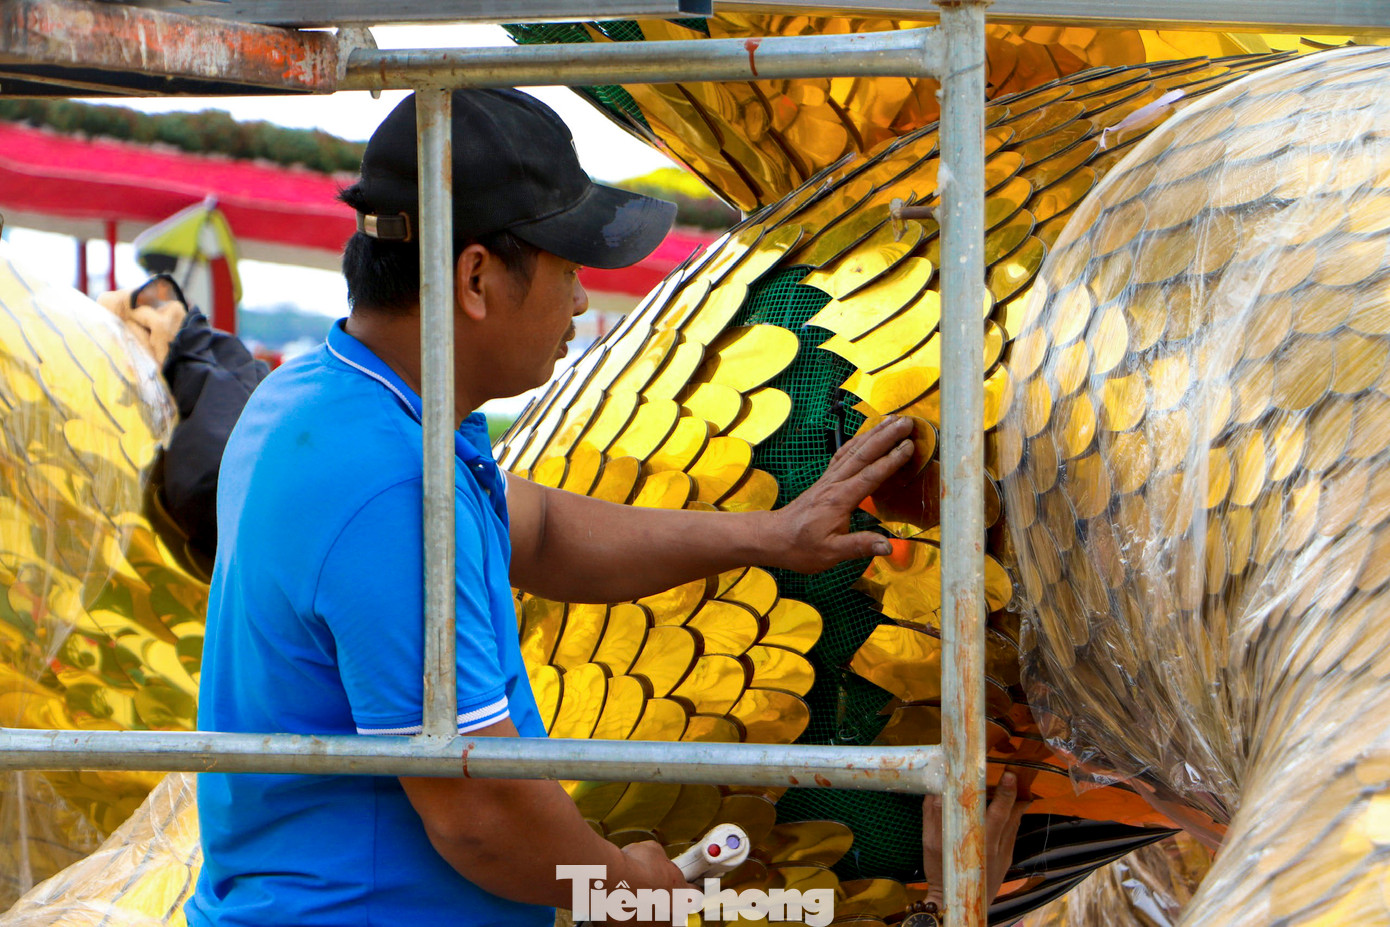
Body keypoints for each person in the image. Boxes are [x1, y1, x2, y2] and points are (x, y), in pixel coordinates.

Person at [185, 87, 924, 927]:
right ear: (475, 277)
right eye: (568, 264)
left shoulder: (325, 398)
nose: (580, 300)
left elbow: (535, 528)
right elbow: (480, 810)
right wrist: (620, 884)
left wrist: (774, 534)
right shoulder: (391, 485)